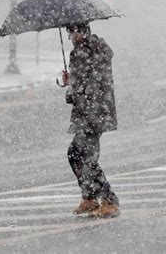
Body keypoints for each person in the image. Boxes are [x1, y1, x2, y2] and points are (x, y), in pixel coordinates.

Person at [62, 23, 119, 218]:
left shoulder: (94, 50)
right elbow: (78, 90)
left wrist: (75, 86)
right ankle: (90, 196)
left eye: (71, 33)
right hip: (85, 111)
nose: (70, 37)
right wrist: (70, 84)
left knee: (83, 155)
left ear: (80, 31)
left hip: (94, 111)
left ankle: (109, 199)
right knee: (76, 153)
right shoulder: (78, 52)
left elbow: (94, 84)